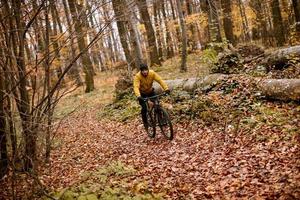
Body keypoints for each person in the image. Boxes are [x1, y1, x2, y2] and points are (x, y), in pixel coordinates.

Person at [133, 63, 170, 129]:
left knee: (157, 104)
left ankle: (161, 119)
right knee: (144, 108)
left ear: (148, 69)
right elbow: (136, 87)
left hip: (150, 91)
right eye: (143, 70)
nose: (145, 72)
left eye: (146, 70)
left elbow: (160, 80)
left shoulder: (152, 73)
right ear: (141, 71)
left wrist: (166, 88)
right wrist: (138, 96)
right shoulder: (137, 76)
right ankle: (145, 123)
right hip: (142, 94)